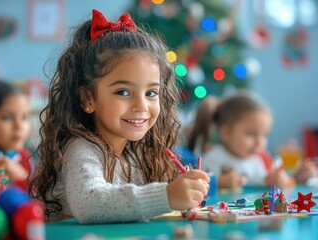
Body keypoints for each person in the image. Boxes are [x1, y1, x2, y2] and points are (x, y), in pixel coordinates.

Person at [29, 9, 210, 224]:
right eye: (123, 92)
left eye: (151, 93)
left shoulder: (137, 153)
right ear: (87, 99)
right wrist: (167, 196)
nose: (141, 105)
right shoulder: (81, 149)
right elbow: (90, 203)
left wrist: (185, 189)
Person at [186, 90, 316, 189]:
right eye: (251, 134)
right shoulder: (214, 157)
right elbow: (199, 185)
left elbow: (270, 182)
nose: (260, 142)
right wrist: (220, 182)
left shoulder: (258, 160)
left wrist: (292, 179)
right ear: (226, 132)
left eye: (264, 135)